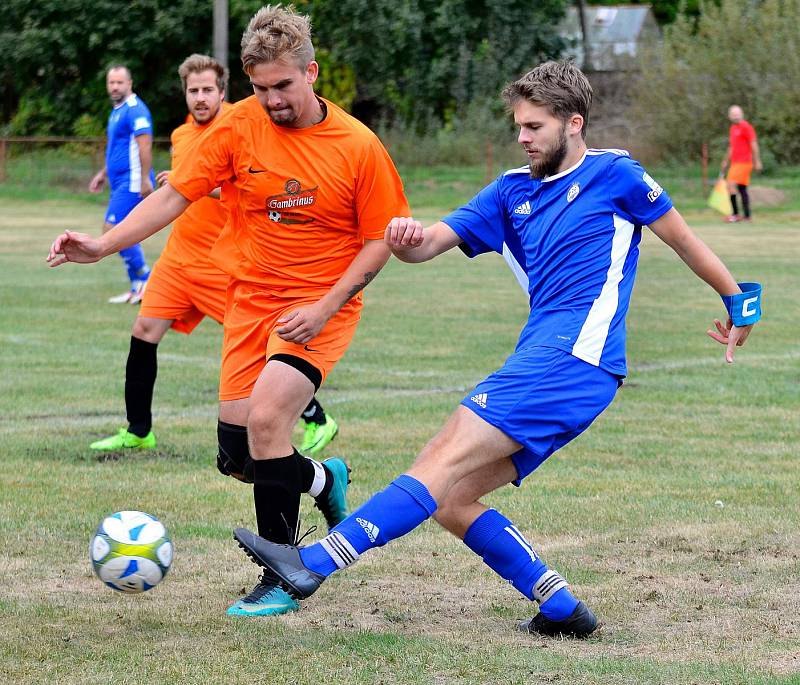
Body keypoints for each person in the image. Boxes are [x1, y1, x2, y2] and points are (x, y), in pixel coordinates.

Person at [227, 61, 762, 637]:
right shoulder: (510, 190)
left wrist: (740, 303)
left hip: (573, 359)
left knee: (439, 461)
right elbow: (429, 243)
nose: (523, 138)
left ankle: (312, 564)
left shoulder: (619, 177)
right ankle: (561, 607)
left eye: (534, 127)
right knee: (453, 497)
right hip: (555, 362)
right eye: (519, 127)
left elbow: (684, 240)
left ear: (573, 123)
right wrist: (405, 239)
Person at [48, 5, 410, 617]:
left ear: (311, 72)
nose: (272, 101)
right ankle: (324, 479)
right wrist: (104, 245)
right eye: (261, 88)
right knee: (238, 458)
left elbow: (379, 239)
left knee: (268, 422)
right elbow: (174, 194)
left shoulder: (357, 146)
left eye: (284, 86)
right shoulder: (236, 127)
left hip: (317, 309)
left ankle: (284, 576)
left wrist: (324, 308)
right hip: (249, 302)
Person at [88, 53, 339, 461]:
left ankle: (317, 417)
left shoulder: (242, 130)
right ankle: (138, 430)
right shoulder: (183, 136)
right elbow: (175, 198)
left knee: (263, 348)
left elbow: (257, 192)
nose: (200, 98)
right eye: (193, 91)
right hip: (177, 261)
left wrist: (203, 185)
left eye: (208, 90)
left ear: (223, 93)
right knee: (144, 331)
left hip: (220, 264)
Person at [89, 65, 154, 303]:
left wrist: (145, 178)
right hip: (119, 181)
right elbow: (118, 149)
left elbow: (144, 145)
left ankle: (145, 278)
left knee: (112, 230)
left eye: (119, 82)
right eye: (111, 82)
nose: (115, 86)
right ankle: (137, 285)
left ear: (130, 83)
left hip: (133, 181)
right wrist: (103, 173)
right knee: (122, 233)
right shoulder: (117, 111)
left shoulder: (135, 110)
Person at [720, 105, 762, 223]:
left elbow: (753, 144)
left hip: (744, 162)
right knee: (742, 188)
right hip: (735, 163)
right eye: (733, 114)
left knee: (730, 184)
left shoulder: (746, 127)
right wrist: (725, 161)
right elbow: (732, 147)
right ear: (729, 116)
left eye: (737, 113)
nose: (736, 116)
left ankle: (735, 215)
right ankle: (747, 216)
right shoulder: (733, 128)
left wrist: (757, 161)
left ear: (742, 114)